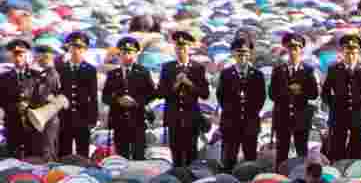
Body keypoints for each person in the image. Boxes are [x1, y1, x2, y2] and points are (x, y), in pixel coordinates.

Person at [321, 34, 361, 162]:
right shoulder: (334, 69)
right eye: (348, 53)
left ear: (358, 53)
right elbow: (325, 92)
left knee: (357, 147)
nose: (351, 56)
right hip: (338, 114)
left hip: (357, 115)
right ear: (343, 53)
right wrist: (334, 105)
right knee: (336, 146)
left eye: (354, 53)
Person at [158, 31, 210, 168]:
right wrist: (175, 85)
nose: (181, 50)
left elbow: (205, 93)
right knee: (176, 151)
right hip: (174, 115)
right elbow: (161, 92)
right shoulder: (168, 68)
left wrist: (189, 83)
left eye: (184, 47)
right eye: (178, 47)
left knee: (191, 151)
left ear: (189, 48)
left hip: (191, 116)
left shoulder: (198, 68)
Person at [1, 39, 58, 160]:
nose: (18, 58)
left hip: (32, 124)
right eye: (15, 55)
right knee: (13, 158)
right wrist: (15, 106)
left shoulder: (37, 75)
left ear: (27, 55)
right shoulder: (4, 78)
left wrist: (29, 106)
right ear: (11, 57)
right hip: (13, 123)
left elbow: (45, 97)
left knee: (32, 158)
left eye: (21, 55)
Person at [269, 33, 320, 169]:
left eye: (296, 49)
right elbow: (272, 94)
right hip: (283, 115)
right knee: (282, 151)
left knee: (301, 151)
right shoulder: (279, 70)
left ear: (301, 50)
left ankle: (302, 173)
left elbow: (314, 94)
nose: (293, 52)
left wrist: (301, 91)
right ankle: (280, 173)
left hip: (301, 116)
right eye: (290, 49)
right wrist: (287, 91)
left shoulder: (308, 70)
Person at [216, 36, 266, 171]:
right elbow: (221, 97)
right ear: (233, 54)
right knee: (229, 158)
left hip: (250, 121)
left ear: (250, 54)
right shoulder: (226, 74)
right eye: (239, 52)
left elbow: (261, 98)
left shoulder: (257, 74)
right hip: (231, 122)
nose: (242, 55)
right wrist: (234, 111)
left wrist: (249, 112)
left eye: (245, 52)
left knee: (250, 158)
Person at [102, 37, 156, 160]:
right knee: (121, 155)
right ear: (119, 54)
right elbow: (105, 97)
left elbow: (152, 94)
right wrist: (118, 100)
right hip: (119, 120)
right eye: (124, 52)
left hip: (138, 119)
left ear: (135, 54)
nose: (127, 56)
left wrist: (136, 101)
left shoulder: (143, 72)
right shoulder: (113, 74)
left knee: (138, 155)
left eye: (130, 52)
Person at [57, 32, 98, 159]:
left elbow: (93, 95)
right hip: (65, 116)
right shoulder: (61, 68)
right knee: (64, 151)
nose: (75, 51)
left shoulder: (90, 69)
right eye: (73, 47)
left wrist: (93, 118)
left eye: (79, 47)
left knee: (82, 152)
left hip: (83, 116)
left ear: (85, 49)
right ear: (68, 48)